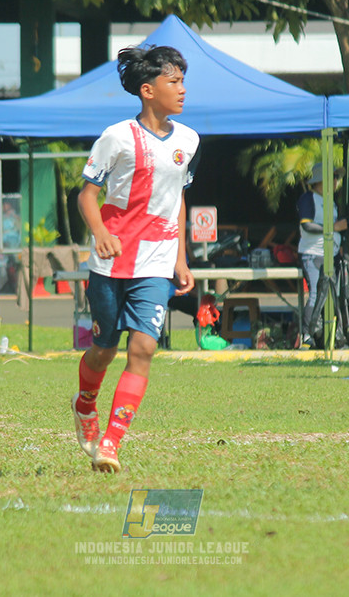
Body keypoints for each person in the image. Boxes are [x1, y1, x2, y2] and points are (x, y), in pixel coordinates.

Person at [70, 45, 199, 473]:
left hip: (158, 261)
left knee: (143, 347)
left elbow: (178, 198)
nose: (182, 89)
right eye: (173, 81)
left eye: (182, 80)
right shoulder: (117, 137)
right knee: (103, 351)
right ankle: (85, 402)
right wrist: (101, 233)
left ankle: (111, 443)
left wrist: (182, 258)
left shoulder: (188, 140)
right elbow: (86, 195)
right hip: (112, 261)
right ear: (148, 90)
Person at [296, 162, 347, 348]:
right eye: (333, 177)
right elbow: (306, 224)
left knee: (332, 296)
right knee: (316, 293)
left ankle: (326, 335)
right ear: (320, 180)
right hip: (313, 254)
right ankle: (305, 335)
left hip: (330, 254)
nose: (336, 181)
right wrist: (333, 228)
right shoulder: (308, 198)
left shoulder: (330, 201)